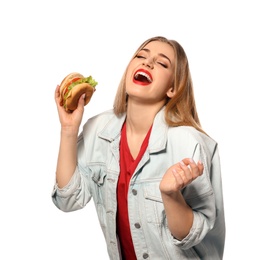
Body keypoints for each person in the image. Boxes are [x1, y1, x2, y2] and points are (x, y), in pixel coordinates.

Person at [52, 36, 225, 259]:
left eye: (162, 63)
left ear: (173, 88)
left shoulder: (189, 144)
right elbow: (68, 200)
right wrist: (68, 130)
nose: (147, 63)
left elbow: (195, 235)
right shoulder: (97, 129)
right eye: (141, 56)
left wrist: (171, 195)